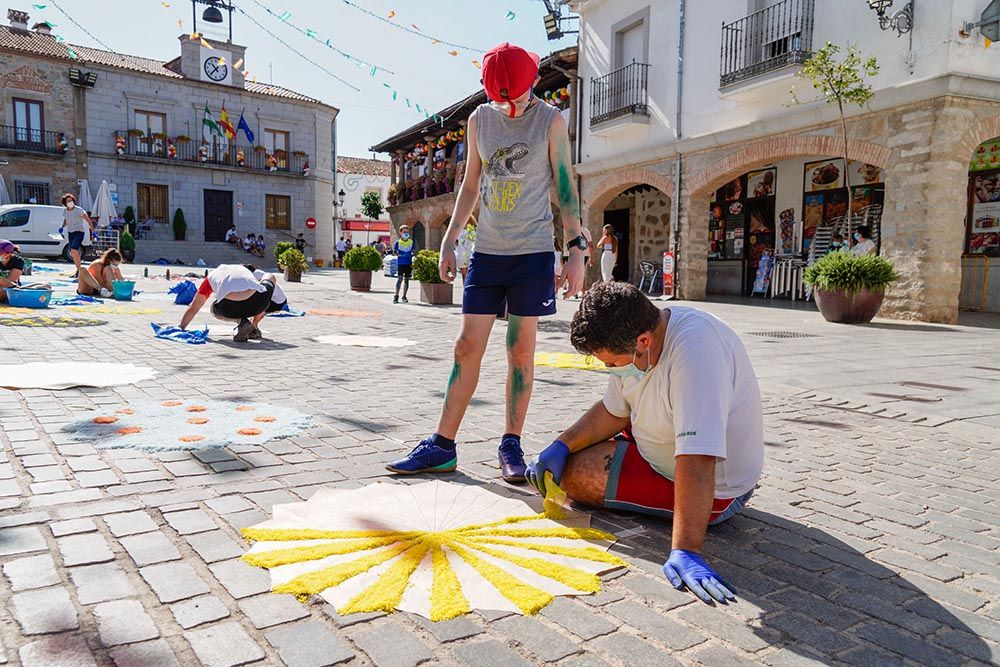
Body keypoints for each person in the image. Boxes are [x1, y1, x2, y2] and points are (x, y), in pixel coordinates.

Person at [386, 42, 587, 483]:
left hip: (533, 253)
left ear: (533, 81)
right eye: (502, 99)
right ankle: (442, 446)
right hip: (488, 254)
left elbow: (566, 188)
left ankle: (511, 443)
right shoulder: (479, 120)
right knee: (465, 348)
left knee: (520, 352)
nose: (510, 107)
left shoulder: (551, 121)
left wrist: (576, 249)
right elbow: (471, 185)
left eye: (516, 98)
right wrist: (449, 239)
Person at [526, 282, 763, 604]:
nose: (612, 370)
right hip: (658, 447)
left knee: (573, 477)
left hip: (717, 489)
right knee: (568, 459)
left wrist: (685, 549)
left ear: (644, 341)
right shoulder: (641, 335)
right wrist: (562, 444)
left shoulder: (696, 354)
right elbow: (613, 411)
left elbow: (698, 458)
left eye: (612, 363)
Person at [179, 264, 278, 342]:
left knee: (213, 307)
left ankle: (242, 322)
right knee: (270, 276)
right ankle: (254, 327)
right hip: (260, 302)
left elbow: (194, 307)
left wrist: (181, 327)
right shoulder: (245, 272)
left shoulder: (211, 277)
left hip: (228, 308)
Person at [59, 193, 103, 294]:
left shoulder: (78, 210)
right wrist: (62, 226)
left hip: (79, 232)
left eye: (71, 200)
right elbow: (66, 220)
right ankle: (78, 270)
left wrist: (93, 231)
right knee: (72, 252)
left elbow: (88, 220)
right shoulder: (65, 211)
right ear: (65, 203)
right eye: (68, 201)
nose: (70, 203)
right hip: (71, 233)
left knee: (74, 249)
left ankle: (79, 270)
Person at [393, 225, 415, 304]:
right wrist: (398, 255)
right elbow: (394, 252)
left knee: (407, 280)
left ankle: (404, 296)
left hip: (408, 263)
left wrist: (412, 254)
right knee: (399, 279)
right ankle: (396, 296)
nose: (406, 233)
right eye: (404, 232)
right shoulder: (397, 242)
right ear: (400, 233)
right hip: (401, 263)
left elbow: (413, 251)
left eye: (407, 232)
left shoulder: (411, 242)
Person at [456, 216, 477, 282]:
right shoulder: (474, 231)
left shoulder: (461, 231)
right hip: (465, 254)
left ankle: (466, 291)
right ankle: (466, 291)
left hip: (465, 254)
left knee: (466, 276)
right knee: (466, 276)